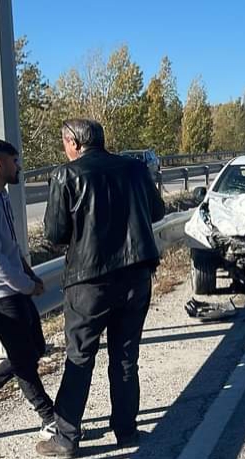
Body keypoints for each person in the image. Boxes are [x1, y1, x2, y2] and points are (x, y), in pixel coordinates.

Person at [36, 119, 165, 457]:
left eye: (64, 143)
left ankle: (66, 439)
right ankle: (125, 430)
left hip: (89, 282)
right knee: (125, 357)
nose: (64, 149)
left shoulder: (67, 175)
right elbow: (156, 211)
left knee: (79, 358)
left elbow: (55, 234)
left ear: (73, 142)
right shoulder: (136, 170)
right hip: (136, 275)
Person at [0, 138, 56, 440]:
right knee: (23, 358)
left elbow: (11, 246)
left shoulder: (2, 196)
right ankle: (49, 416)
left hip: (16, 288)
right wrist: (27, 286)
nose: (19, 167)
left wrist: (30, 274)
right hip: (0, 296)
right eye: (14, 161)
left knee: (35, 348)